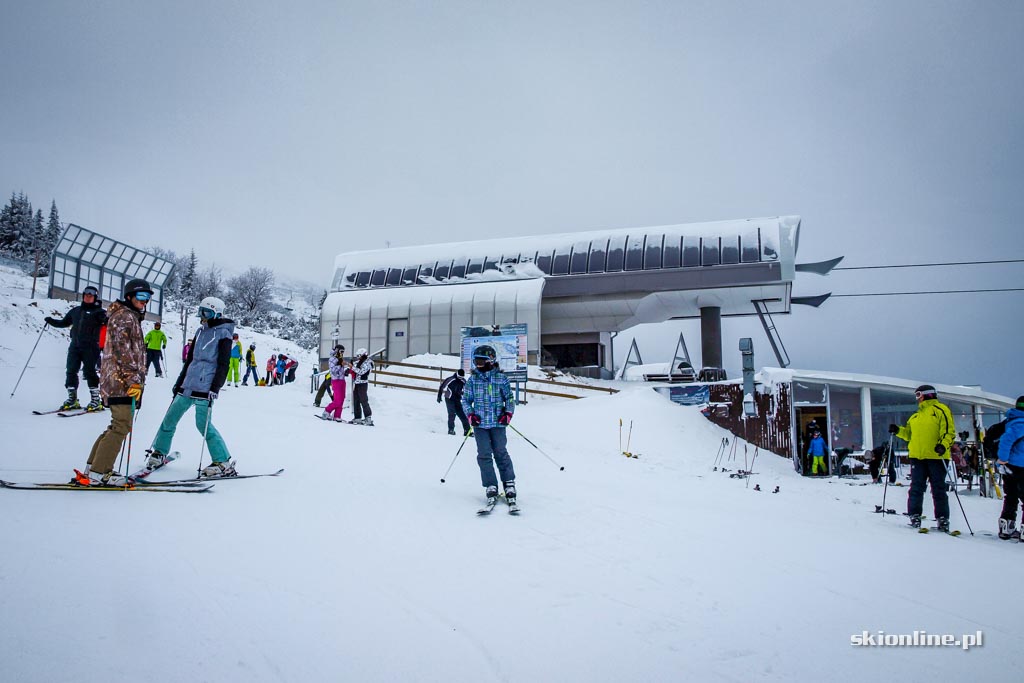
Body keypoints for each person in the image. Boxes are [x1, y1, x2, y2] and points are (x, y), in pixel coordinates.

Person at [143, 296, 236, 477]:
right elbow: (190, 360)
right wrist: (179, 382)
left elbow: (224, 364)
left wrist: (215, 388)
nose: (203, 315)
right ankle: (159, 452)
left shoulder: (224, 334)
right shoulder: (201, 331)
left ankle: (222, 461)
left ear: (217, 313)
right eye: (201, 311)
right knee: (169, 419)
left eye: (207, 312)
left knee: (203, 424)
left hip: (205, 387)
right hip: (188, 385)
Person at [71, 279, 150, 486]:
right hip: (120, 381)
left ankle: (93, 467)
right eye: (141, 296)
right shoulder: (124, 317)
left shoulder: (128, 316)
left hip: (118, 380)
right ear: (129, 297)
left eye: (147, 297)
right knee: (121, 426)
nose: (145, 301)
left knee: (116, 425)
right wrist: (134, 379)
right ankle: (100, 472)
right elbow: (123, 351)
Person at [889, 384, 957, 532]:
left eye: (918, 395)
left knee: (938, 488)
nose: (917, 398)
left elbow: (949, 432)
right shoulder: (916, 416)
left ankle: (942, 518)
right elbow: (909, 435)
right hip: (917, 457)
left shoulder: (941, 410)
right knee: (916, 487)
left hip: (936, 456)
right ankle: (914, 515)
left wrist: (943, 445)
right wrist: (898, 430)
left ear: (927, 394)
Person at [461, 344, 516, 505]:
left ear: (491, 360)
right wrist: (471, 415)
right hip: (480, 425)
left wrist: (508, 413)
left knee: (500, 453)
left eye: (480, 361)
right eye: (475, 361)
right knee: (484, 455)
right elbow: (465, 400)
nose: (477, 364)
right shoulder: (473, 380)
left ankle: (509, 483)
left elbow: (510, 399)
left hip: (498, 424)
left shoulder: (501, 378)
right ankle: (491, 484)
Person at [44, 284, 108, 411]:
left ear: (95, 298)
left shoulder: (99, 312)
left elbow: (108, 322)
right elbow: (64, 323)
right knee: (71, 371)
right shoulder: (76, 311)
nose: (88, 298)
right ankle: (72, 399)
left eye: (91, 296)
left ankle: (96, 400)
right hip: (75, 346)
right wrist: (51, 321)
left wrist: (108, 318)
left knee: (89, 372)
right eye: (86, 295)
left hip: (90, 347)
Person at [995, 395, 1024, 540]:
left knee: (1011, 497)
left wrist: (1003, 461)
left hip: (1011, 467)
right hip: (1020, 466)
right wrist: (1003, 459)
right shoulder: (1020, 424)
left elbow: (1006, 442)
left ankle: (1006, 527)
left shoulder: (1012, 422)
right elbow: (1006, 441)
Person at [319, 345, 352, 421]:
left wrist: (346, 370)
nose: (342, 353)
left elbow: (341, 369)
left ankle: (337, 415)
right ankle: (327, 411)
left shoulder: (339, 358)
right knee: (337, 400)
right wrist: (341, 365)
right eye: (341, 351)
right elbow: (333, 371)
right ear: (337, 350)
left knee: (342, 398)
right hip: (336, 381)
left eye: (343, 352)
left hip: (342, 380)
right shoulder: (332, 359)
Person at [437, 368, 470, 436]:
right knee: (452, 414)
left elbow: (467, 390)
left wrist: (465, 395)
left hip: (457, 399)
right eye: (460, 377)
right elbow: (442, 386)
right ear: (457, 374)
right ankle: (451, 430)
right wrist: (439, 396)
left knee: (462, 414)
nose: (461, 378)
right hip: (449, 398)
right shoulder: (451, 379)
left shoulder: (463, 381)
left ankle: (467, 431)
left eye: (462, 377)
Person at [350, 348, 374, 425]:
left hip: (363, 384)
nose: (358, 357)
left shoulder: (368, 363)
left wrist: (352, 367)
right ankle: (357, 418)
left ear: (364, 355)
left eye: (359, 356)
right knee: (356, 400)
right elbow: (355, 365)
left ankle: (368, 418)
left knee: (364, 400)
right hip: (357, 383)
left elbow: (361, 372)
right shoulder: (360, 362)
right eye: (357, 356)